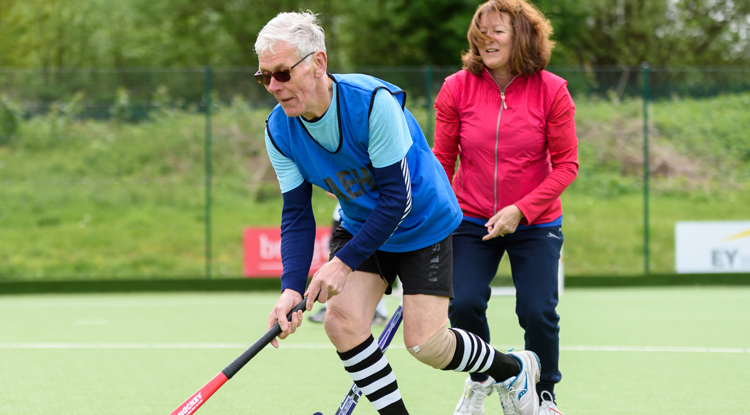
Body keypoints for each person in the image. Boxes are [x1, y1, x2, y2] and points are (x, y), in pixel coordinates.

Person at [256, 10, 543, 415]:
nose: (273, 86)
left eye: (282, 73)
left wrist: (341, 264)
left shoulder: (372, 104)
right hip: (361, 224)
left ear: (318, 62)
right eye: (264, 76)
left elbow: (397, 199)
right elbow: (297, 215)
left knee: (427, 344)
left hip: (421, 221)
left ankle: (513, 368)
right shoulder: (278, 131)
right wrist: (290, 287)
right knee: (342, 322)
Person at [432, 1, 578, 414]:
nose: (485, 38)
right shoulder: (456, 87)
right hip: (471, 216)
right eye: (480, 31)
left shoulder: (553, 90)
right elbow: (442, 161)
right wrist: (433, 211)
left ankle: (544, 392)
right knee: (463, 303)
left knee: (537, 309)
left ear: (523, 37)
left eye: (497, 31)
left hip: (535, 220)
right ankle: (489, 377)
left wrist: (522, 209)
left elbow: (567, 165)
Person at [309, 202, 389, 326]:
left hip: (366, 215)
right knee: (331, 259)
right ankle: (327, 306)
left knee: (374, 261)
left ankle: (380, 311)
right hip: (342, 215)